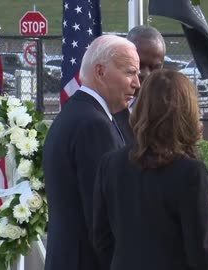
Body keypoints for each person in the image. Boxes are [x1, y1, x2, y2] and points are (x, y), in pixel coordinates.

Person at [93, 69, 208, 270]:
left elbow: (102, 238)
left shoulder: (110, 163)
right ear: (187, 113)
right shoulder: (191, 173)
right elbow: (201, 253)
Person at [42, 35, 140, 270]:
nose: (137, 83)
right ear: (100, 71)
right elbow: (103, 217)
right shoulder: (93, 125)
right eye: (129, 72)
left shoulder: (76, 113)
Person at [113, 26, 165, 145]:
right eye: (139, 65)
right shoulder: (109, 104)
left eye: (154, 67)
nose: (146, 74)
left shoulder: (170, 107)